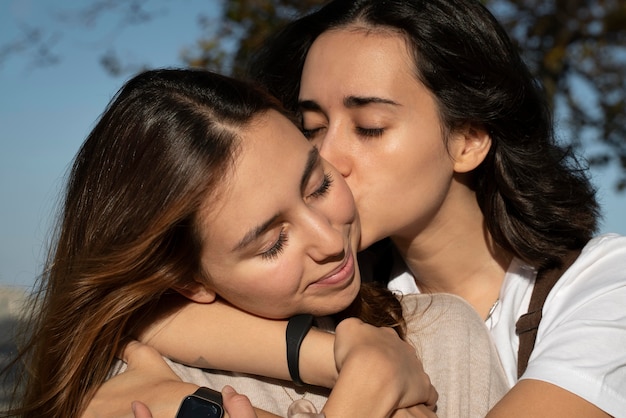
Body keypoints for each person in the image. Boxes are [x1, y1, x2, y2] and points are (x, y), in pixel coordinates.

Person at [107, 0, 625, 416]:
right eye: (311, 127)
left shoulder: (604, 287)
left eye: (370, 126)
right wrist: (343, 357)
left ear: (468, 138)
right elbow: (142, 313)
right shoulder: (333, 286)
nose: (324, 158)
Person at [1, 67, 506, 418]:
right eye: (271, 244)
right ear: (189, 279)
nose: (328, 239)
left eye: (320, 186)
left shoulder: (441, 334)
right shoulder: (140, 390)